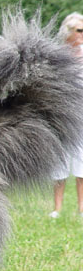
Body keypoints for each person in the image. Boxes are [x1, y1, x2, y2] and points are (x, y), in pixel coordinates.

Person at [49, 12, 83, 219]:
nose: (82, 34)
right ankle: (57, 208)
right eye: (79, 30)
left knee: (82, 162)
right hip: (62, 113)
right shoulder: (57, 55)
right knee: (58, 163)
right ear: (68, 32)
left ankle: (81, 208)